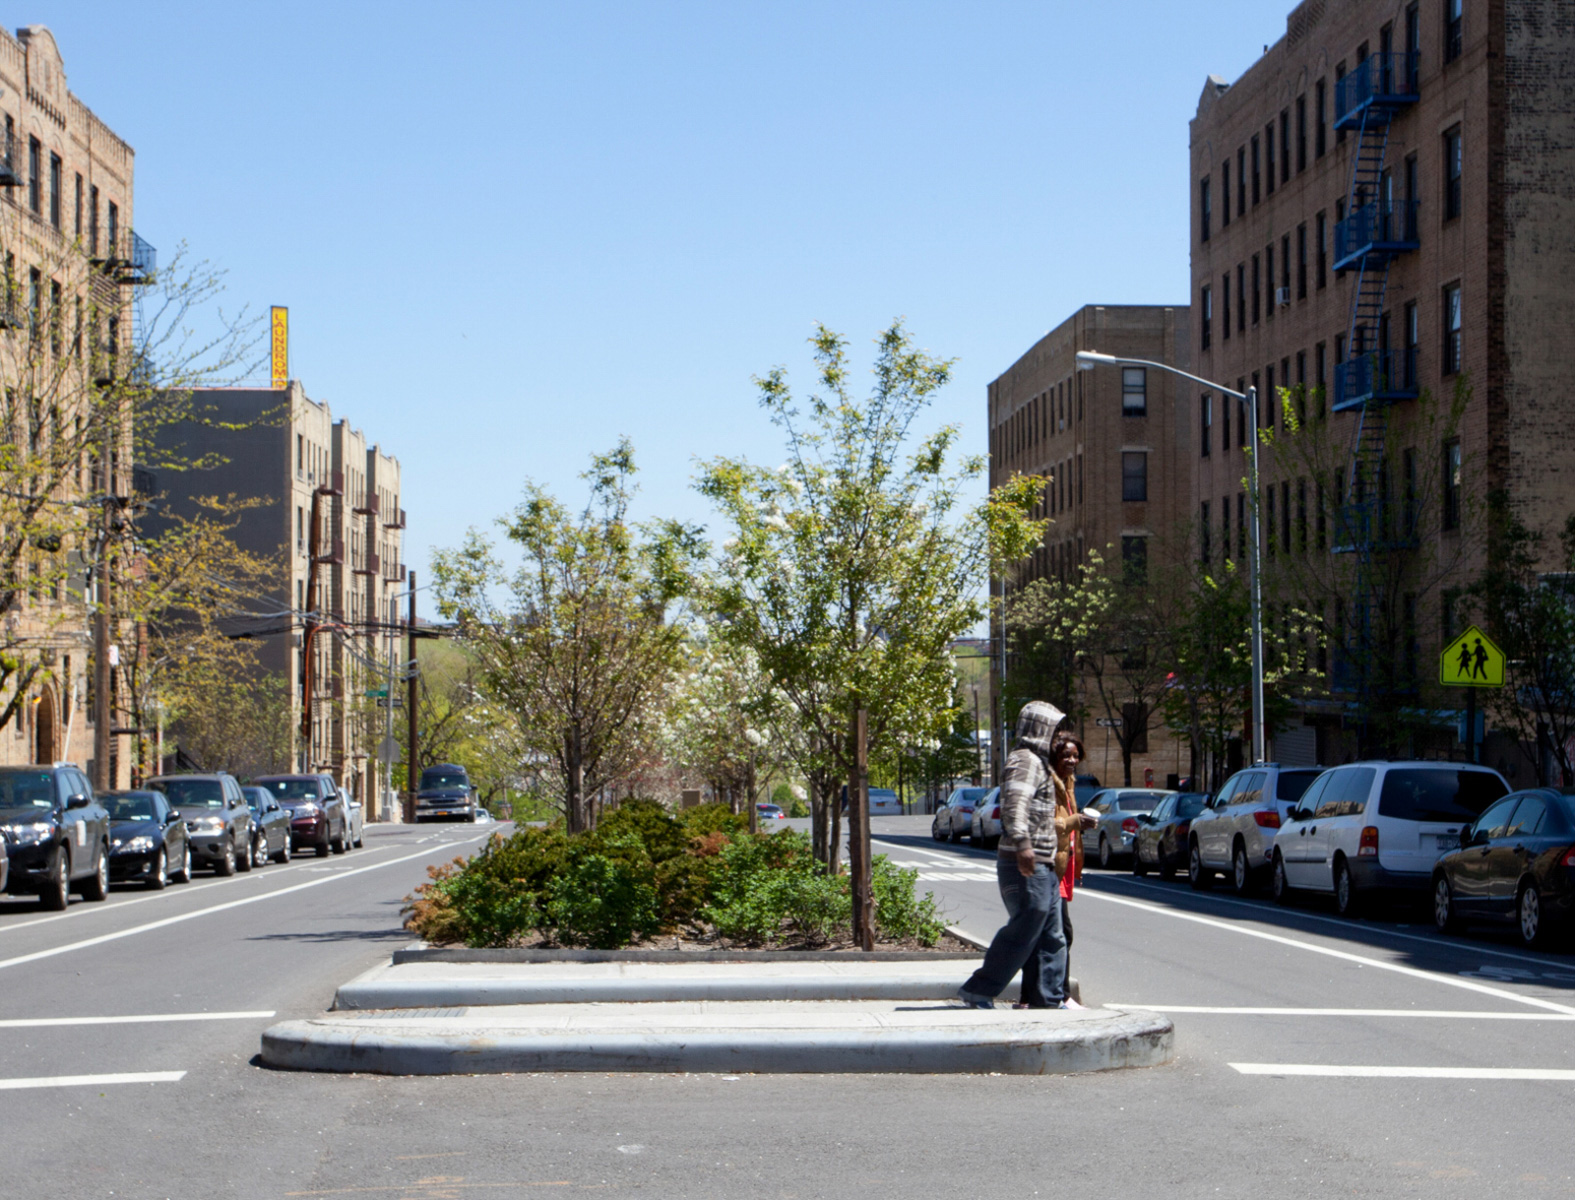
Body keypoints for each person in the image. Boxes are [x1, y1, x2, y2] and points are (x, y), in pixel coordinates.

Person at [957, 702, 1096, 1010]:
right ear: (1039, 728)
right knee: (1026, 927)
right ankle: (979, 989)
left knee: (1053, 935)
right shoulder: (1024, 761)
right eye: (1054, 728)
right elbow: (1014, 804)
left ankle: (1047, 1000)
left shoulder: (1038, 761)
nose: (1057, 735)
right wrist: (1023, 845)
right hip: (1025, 862)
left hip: (1043, 863)